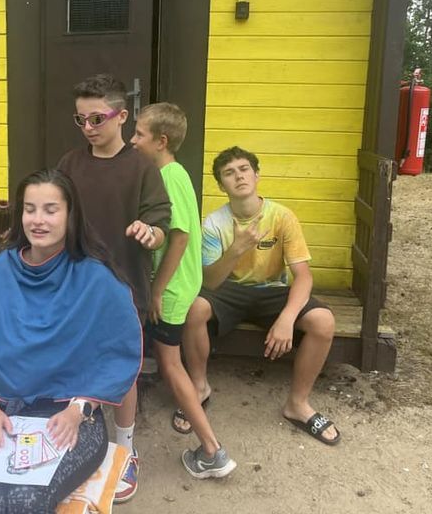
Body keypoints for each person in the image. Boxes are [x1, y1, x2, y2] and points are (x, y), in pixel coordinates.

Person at [0, 169, 142, 513]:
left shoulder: (96, 278)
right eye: (30, 209)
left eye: (50, 210)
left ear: (70, 215)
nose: (38, 220)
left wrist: (78, 410)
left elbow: (118, 355)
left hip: (68, 415)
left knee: (27, 500)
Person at [57, 74, 172, 502]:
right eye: (81, 119)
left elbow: (161, 226)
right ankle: (81, 435)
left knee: (122, 370)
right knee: (74, 362)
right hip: (74, 284)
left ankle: (124, 447)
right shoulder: (70, 164)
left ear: (121, 116)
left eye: (97, 118)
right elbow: (51, 213)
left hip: (125, 286)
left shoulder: (142, 167)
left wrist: (149, 232)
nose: (88, 127)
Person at [182, 146, 341, 445]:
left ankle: (298, 405)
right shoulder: (214, 223)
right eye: (229, 173)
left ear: (256, 175)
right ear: (221, 185)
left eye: (244, 169)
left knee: (323, 321)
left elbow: (303, 275)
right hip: (229, 290)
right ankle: (199, 388)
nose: (238, 177)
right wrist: (236, 249)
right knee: (194, 309)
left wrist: (287, 318)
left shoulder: (282, 217)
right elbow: (211, 281)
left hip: (272, 291)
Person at [130, 103, 237, 478]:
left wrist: (157, 290)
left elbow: (178, 237)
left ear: (161, 141)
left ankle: (212, 451)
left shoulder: (168, 177)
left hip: (172, 288)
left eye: (139, 134)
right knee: (169, 362)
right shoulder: (174, 172)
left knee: (171, 365)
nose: (132, 140)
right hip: (181, 283)